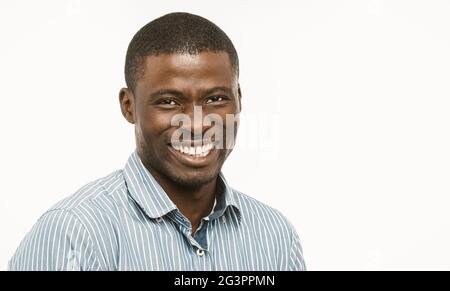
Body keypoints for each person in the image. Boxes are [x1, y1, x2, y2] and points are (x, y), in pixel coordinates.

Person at [9, 12, 305, 271]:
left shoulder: (275, 236)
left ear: (238, 100)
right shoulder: (75, 233)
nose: (198, 123)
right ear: (129, 106)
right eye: (169, 102)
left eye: (215, 99)